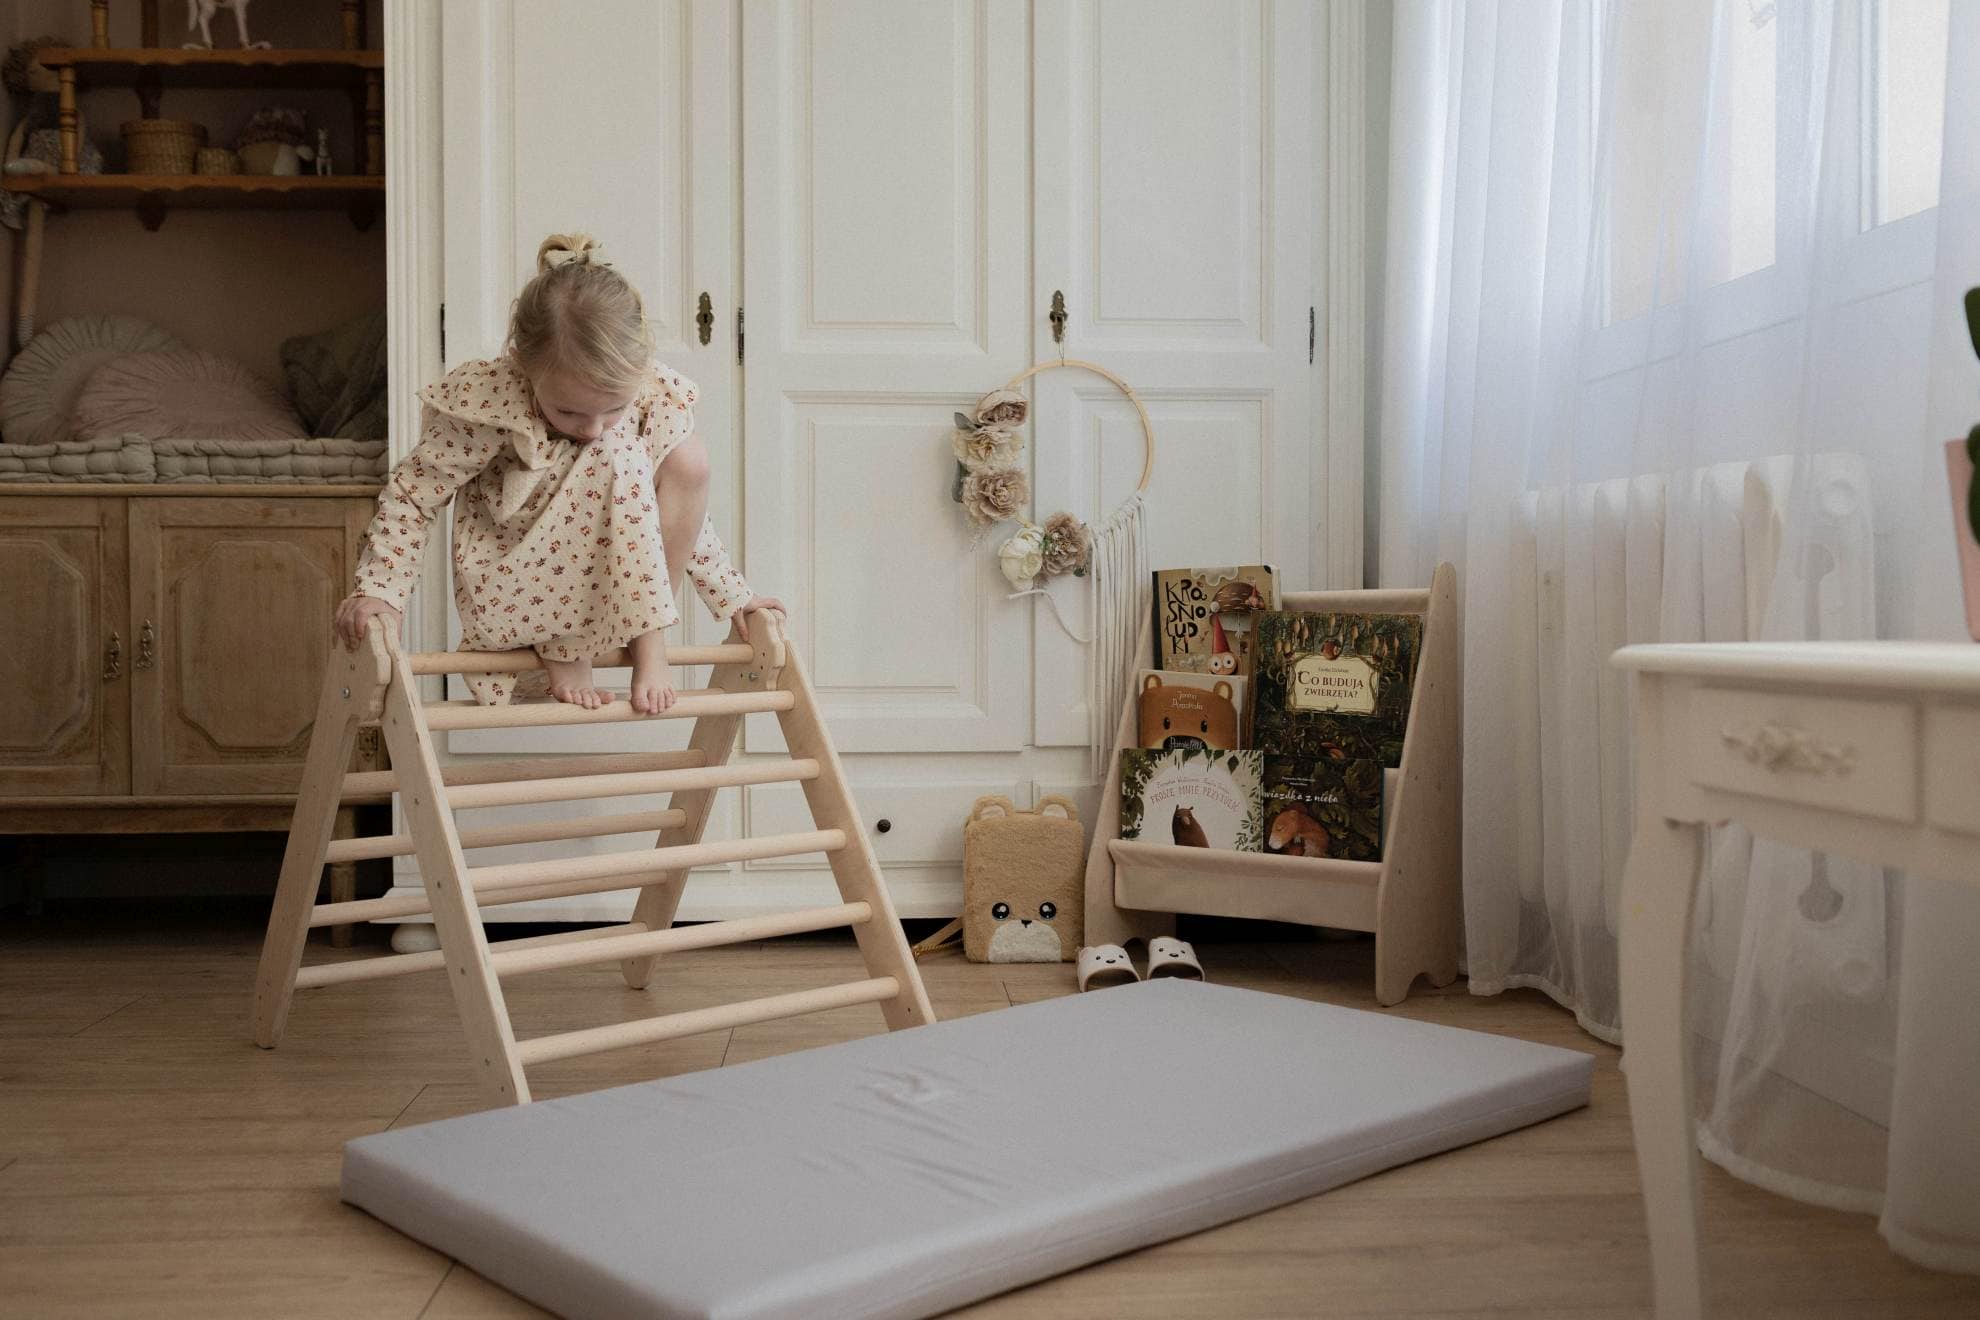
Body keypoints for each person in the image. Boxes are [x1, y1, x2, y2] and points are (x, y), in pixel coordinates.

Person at [334, 232, 780, 713]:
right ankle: (564, 644)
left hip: (618, 589)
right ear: (525, 365)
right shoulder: (492, 401)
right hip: (517, 590)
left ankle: (647, 636)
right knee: (612, 454)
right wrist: (380, 590)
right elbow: (412, 495)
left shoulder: (646, 397)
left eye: (613, 409)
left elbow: (677, 510)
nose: (591, 428)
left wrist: (736, 597)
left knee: (684, 456)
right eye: (568, 413)